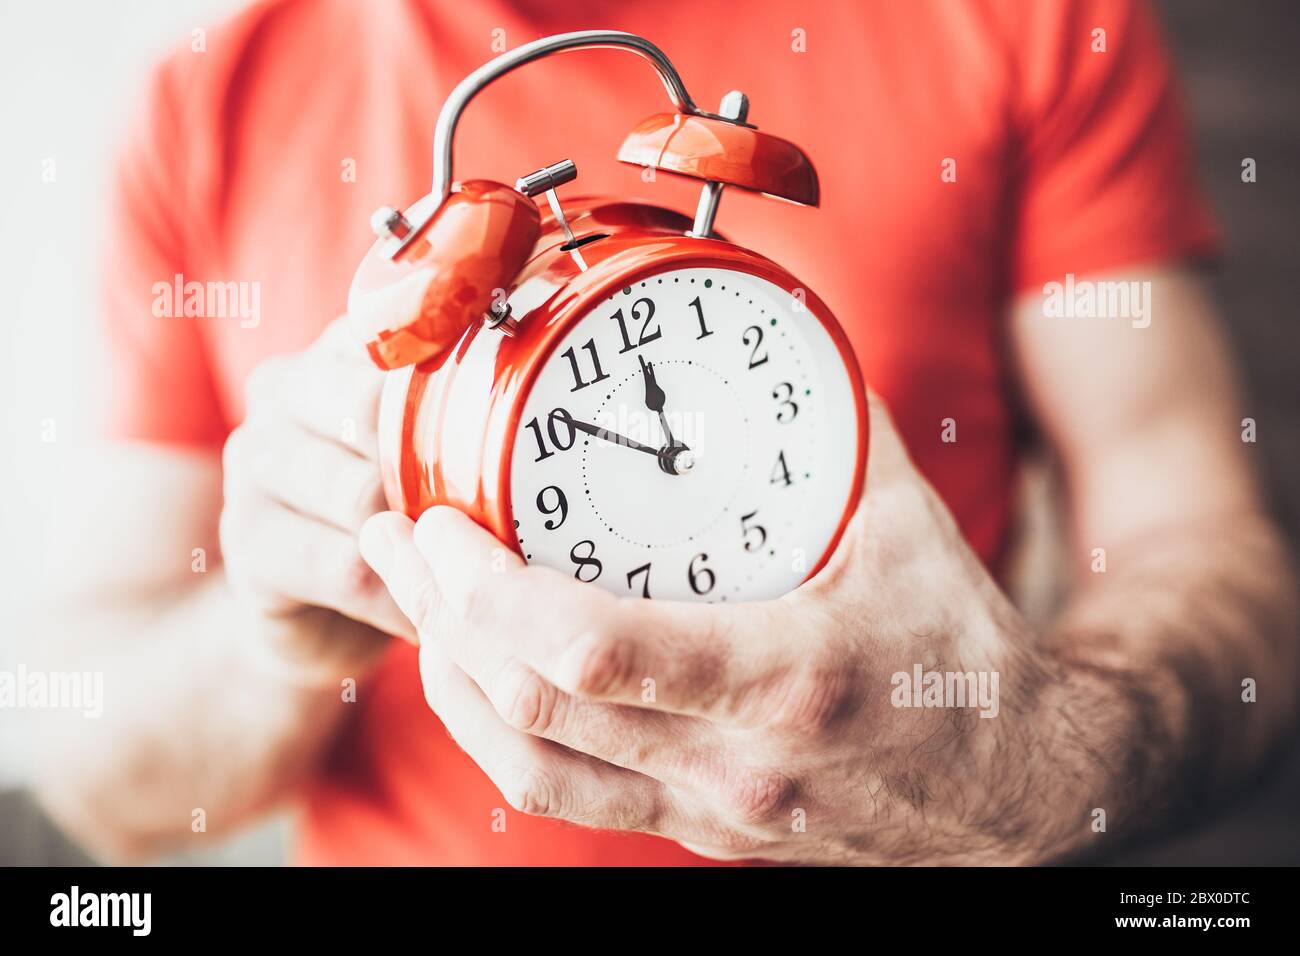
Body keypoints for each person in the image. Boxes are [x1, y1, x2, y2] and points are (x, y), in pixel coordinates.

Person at [34, 0, 1297, 865]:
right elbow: (100, 777)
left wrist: (1021, 760)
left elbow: (1204, 544)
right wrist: (276, 641)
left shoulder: (1019, 20)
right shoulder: (210, 97)